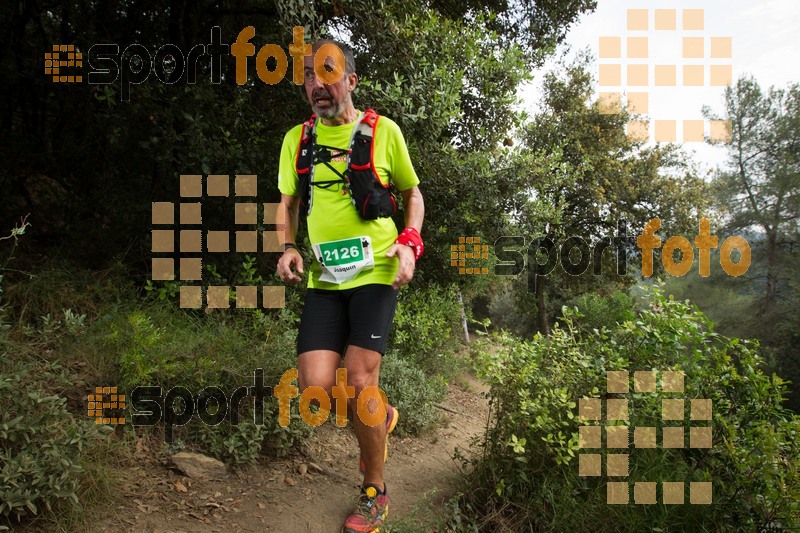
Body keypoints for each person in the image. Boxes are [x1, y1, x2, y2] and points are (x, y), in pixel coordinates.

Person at [276, 38, 424, 533]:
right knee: (315, 389)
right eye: (309, 77)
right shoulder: (297, 140)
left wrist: (409, 241)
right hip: (325, 278)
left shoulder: (384, 134)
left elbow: (413, 194)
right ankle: (379, 419)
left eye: (328, 72)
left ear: (352, 80)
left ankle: (374, 492)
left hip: (377, 274)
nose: (318, 84)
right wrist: (287, 246)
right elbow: (287, 204)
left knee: (361, 382)